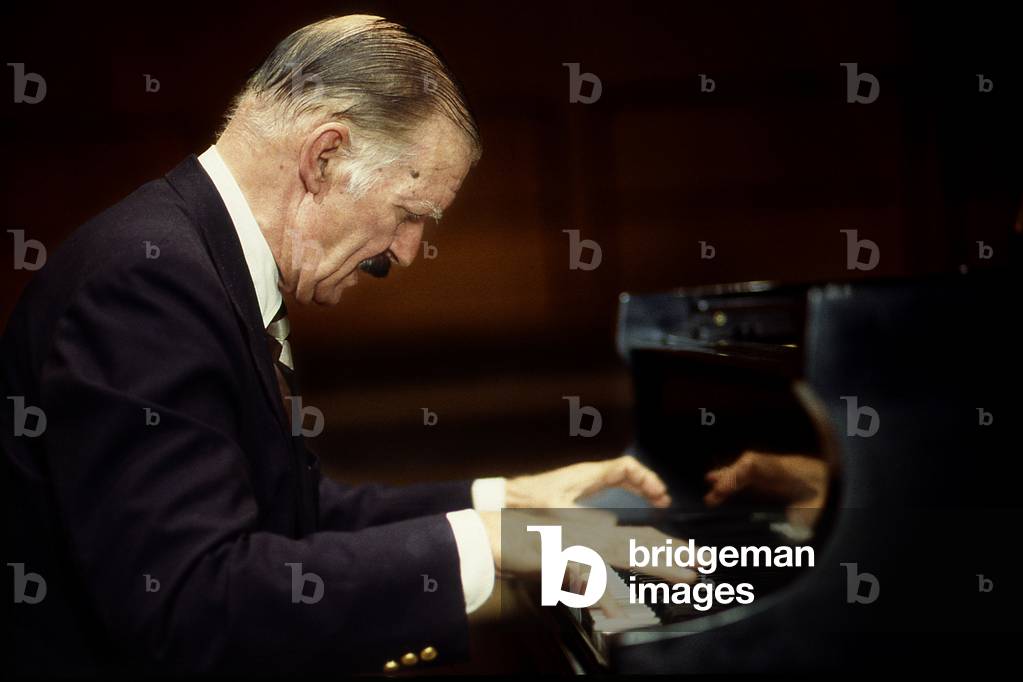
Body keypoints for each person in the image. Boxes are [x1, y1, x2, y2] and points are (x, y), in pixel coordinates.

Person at [1, 15, 679, 675]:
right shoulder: (150, 282)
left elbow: (296, 515)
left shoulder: (200, 260)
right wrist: (490, 542)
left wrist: (503, 501)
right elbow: (191, 605)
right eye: (409, 214)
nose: (409, 253)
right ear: (324, 156)